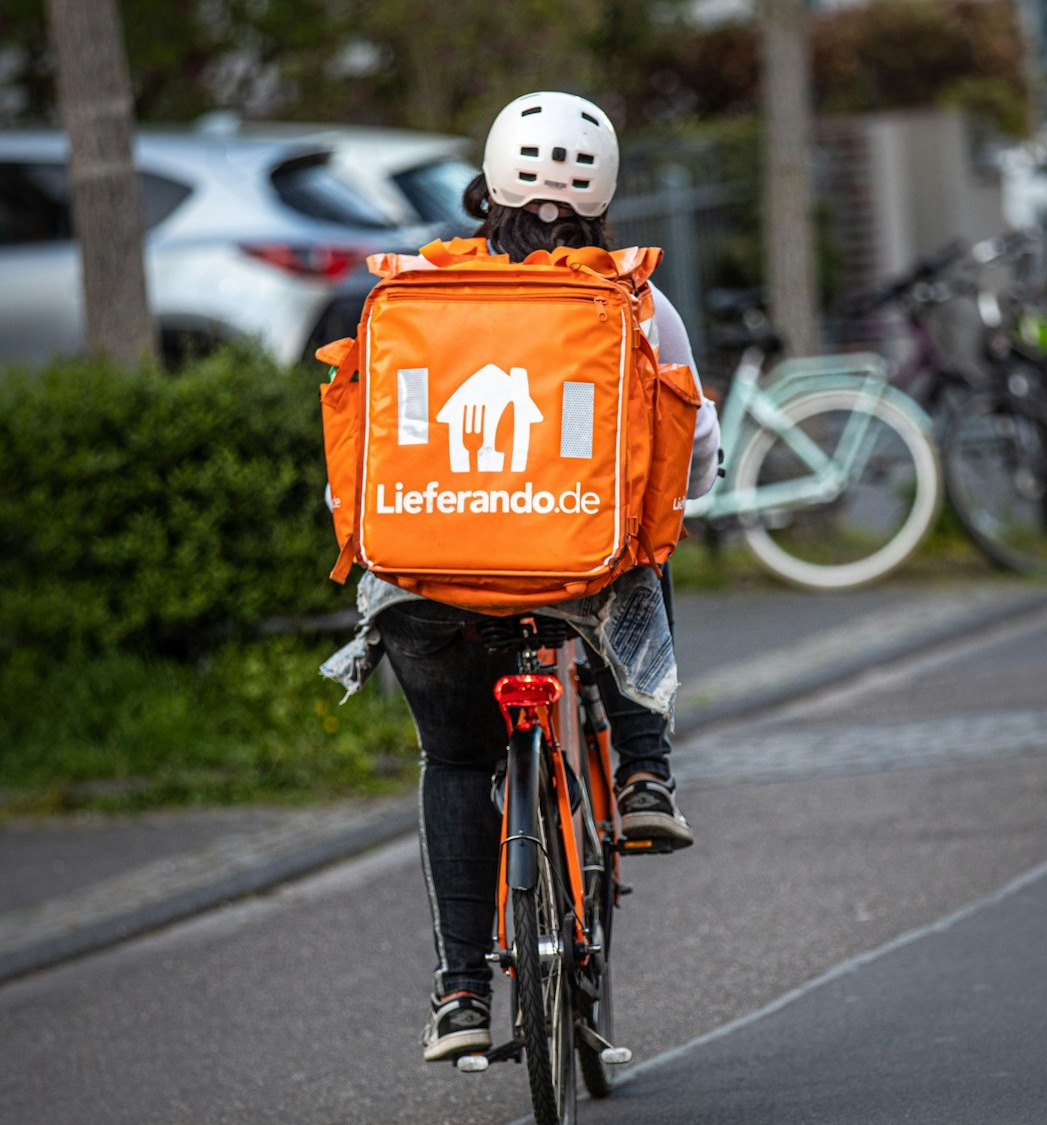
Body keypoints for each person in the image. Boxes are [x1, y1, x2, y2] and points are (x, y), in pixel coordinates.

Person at [326, 91, 721, 1064]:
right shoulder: (633, 296)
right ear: (605, 195)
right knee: (645, 543)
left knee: (458, 761)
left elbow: (368, 443)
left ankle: (461, 993)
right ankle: (642, 773)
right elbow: (691, 451)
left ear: (489, 183)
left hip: (427, 574)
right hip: (573, 573)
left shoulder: (414, 288)